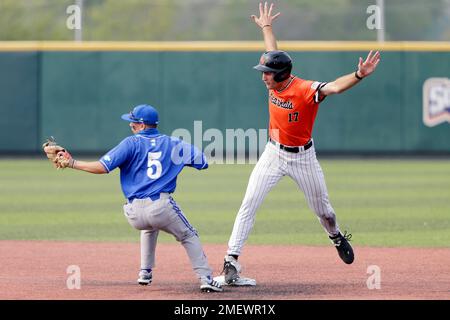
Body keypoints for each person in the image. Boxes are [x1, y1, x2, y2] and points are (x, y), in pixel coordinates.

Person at [222, 2, 381, 285]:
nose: (263, 76)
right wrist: (267, 27)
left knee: (326, 213)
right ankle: (231, 260)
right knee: (249, 203)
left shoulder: (305, 90)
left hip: (303, 157)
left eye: (267, 72)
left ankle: (335, 236)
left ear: (281, 74)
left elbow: (333, 87)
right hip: (273, 152)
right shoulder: (274, 78)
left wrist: (358, 75)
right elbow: (273, 52)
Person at [46, 104, 223, 293]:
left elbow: (101, 167)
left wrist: (72, 163)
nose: (130, 125)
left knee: (149, 225)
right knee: (189, 235)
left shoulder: (130, 143)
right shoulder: (174, 143)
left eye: (133, 122)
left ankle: (145, 272)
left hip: (133, 213)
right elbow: (202, 162)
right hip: (160, 206)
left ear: (142, 125)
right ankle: (206, 278)